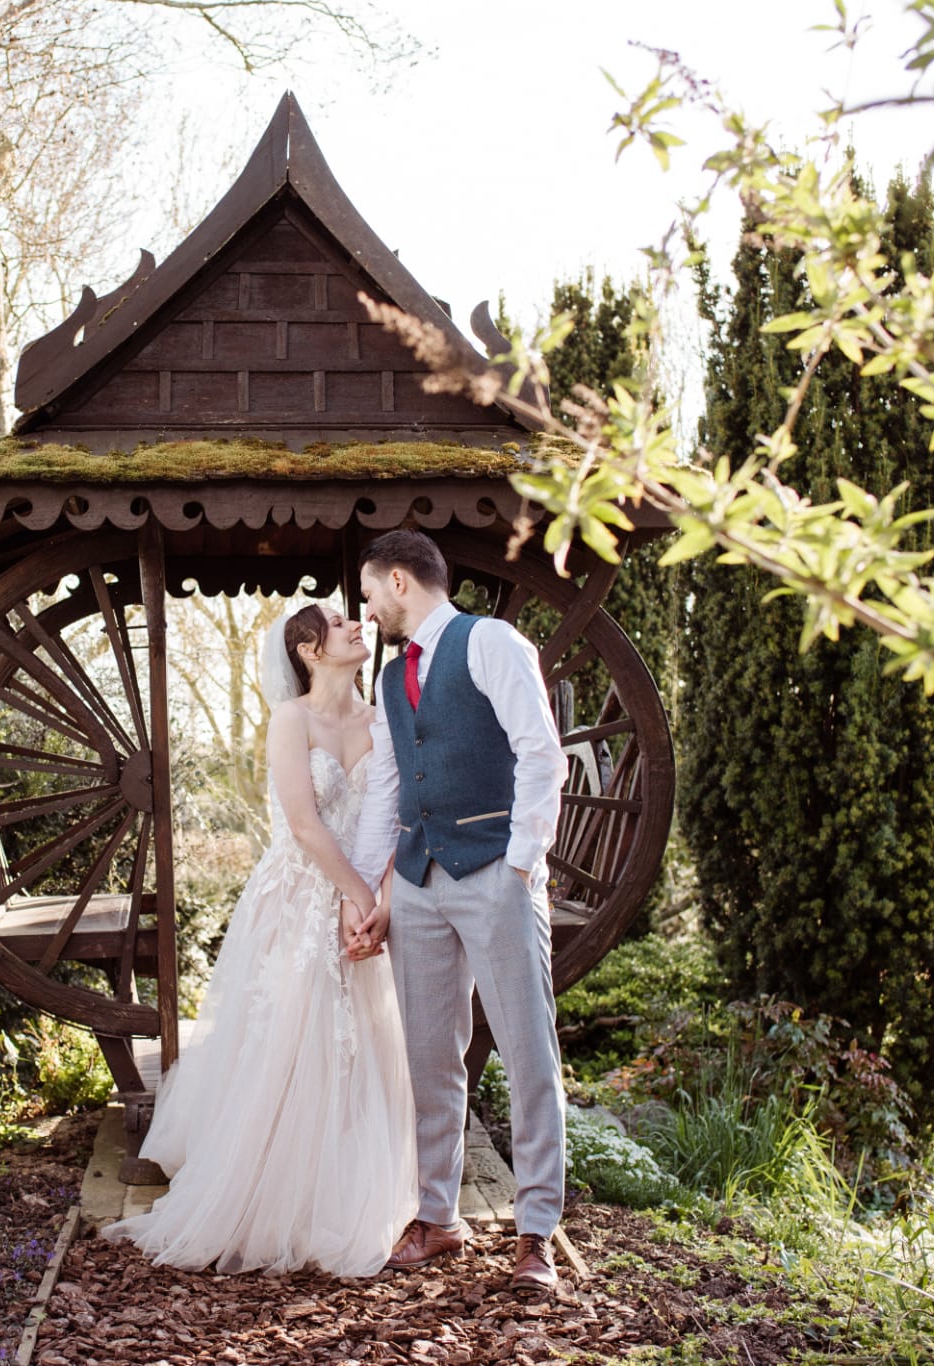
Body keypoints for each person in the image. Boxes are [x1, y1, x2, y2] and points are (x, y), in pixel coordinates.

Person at [98, 601, 418, 1276]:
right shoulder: (289, 720)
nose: (359, 626)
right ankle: (273, 1192)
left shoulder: (383, 720)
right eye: (339, 624)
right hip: (298, 899)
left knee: (363, 1044)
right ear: (308, 649)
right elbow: (303, 825)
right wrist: (354, 899)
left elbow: (399, 819)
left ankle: (347, 1190)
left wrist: (378, 906)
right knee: (291, 1042)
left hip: (368, 904)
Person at [347, 527, 569, 1294]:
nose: (367, 609)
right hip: (415, 879)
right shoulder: (387, 681)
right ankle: (438, 1216)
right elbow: (388, 791)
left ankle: (537, 1230)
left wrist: (521, 865)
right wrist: (373, 893)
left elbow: (542, 754)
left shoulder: (491, 643)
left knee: (527, 1049)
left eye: (371, 592)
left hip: (494, 873)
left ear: (401, 581)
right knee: (429, 1056)